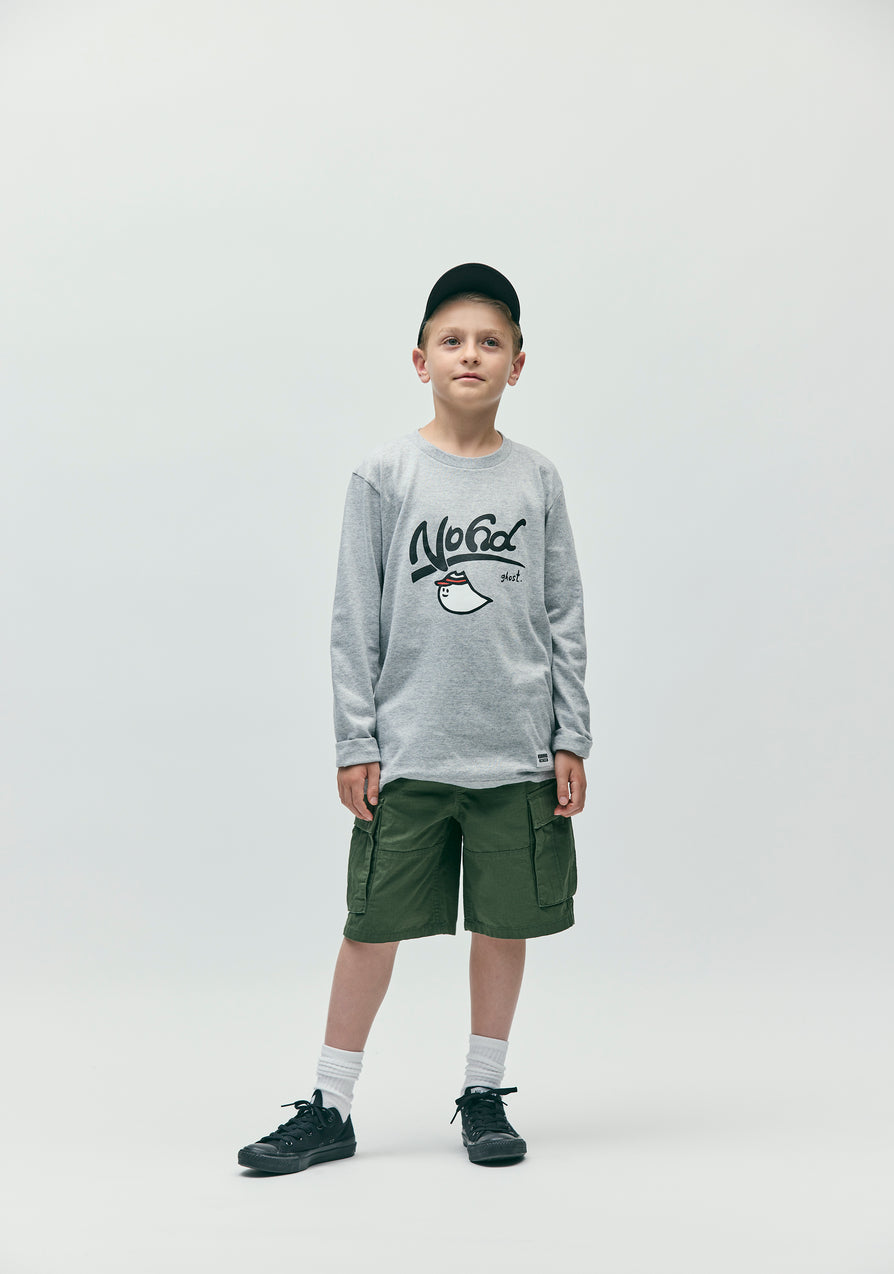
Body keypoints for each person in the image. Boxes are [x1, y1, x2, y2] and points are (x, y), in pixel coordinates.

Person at [238, 263, 591, 1174]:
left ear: (518, 364)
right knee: (371, 925)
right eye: (452, 340)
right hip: (409, 753)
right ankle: (330, 1104)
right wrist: (356, 739)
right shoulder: (386, 474)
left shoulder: (537, 479)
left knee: (502, 925)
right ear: (420, 358)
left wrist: (570, 735)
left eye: (490, 341)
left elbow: (563, 615)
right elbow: (355, 617)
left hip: (516, 753)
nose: (470, 354)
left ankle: (484, 1092)